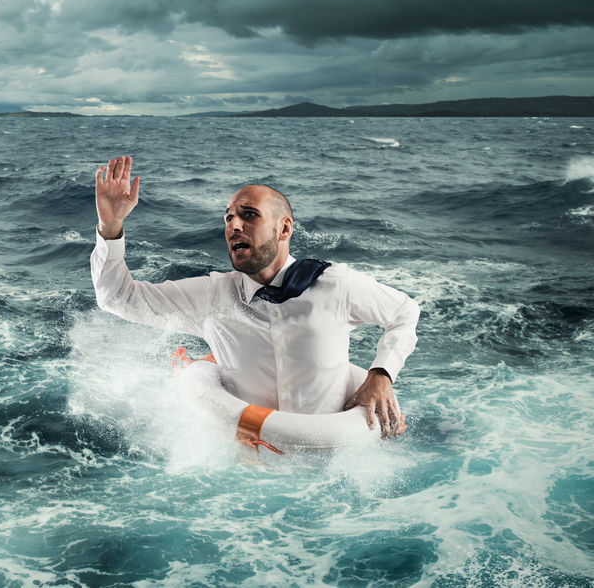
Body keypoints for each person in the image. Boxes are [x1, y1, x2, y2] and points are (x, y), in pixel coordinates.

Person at [91, 155, 419, 437]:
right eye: (228, 217)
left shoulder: (335, 285)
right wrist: (110, 225)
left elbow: (404, 311)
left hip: (334, 463)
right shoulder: (210, 296)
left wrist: (381, 374)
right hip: (252, 478)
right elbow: (117, 297)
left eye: (249, 215)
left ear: (284, 229)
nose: (234, 225)